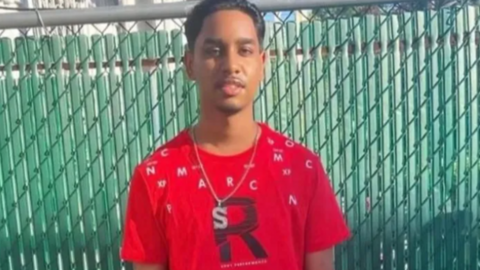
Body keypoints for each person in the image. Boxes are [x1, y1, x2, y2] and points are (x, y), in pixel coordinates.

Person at [119, 0, 351, 269]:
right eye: (214, 50)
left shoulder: (303, 169)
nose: (231, 64)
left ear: (262, 63)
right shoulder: (155, 178)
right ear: (190, 64)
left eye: (244, 50)